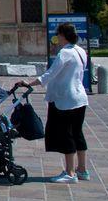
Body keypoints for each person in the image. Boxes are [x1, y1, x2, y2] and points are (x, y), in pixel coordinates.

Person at [15, 23, 90, 183]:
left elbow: (50, 74)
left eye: (58, 35)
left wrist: (29, 83)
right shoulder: (81, 51)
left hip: (66, 99)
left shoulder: (65, 53)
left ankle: (70, 173)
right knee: (77, 132)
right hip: (80, 97)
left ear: (63, 35)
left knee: (66, 133)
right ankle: (82, 169)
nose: (56, 38)